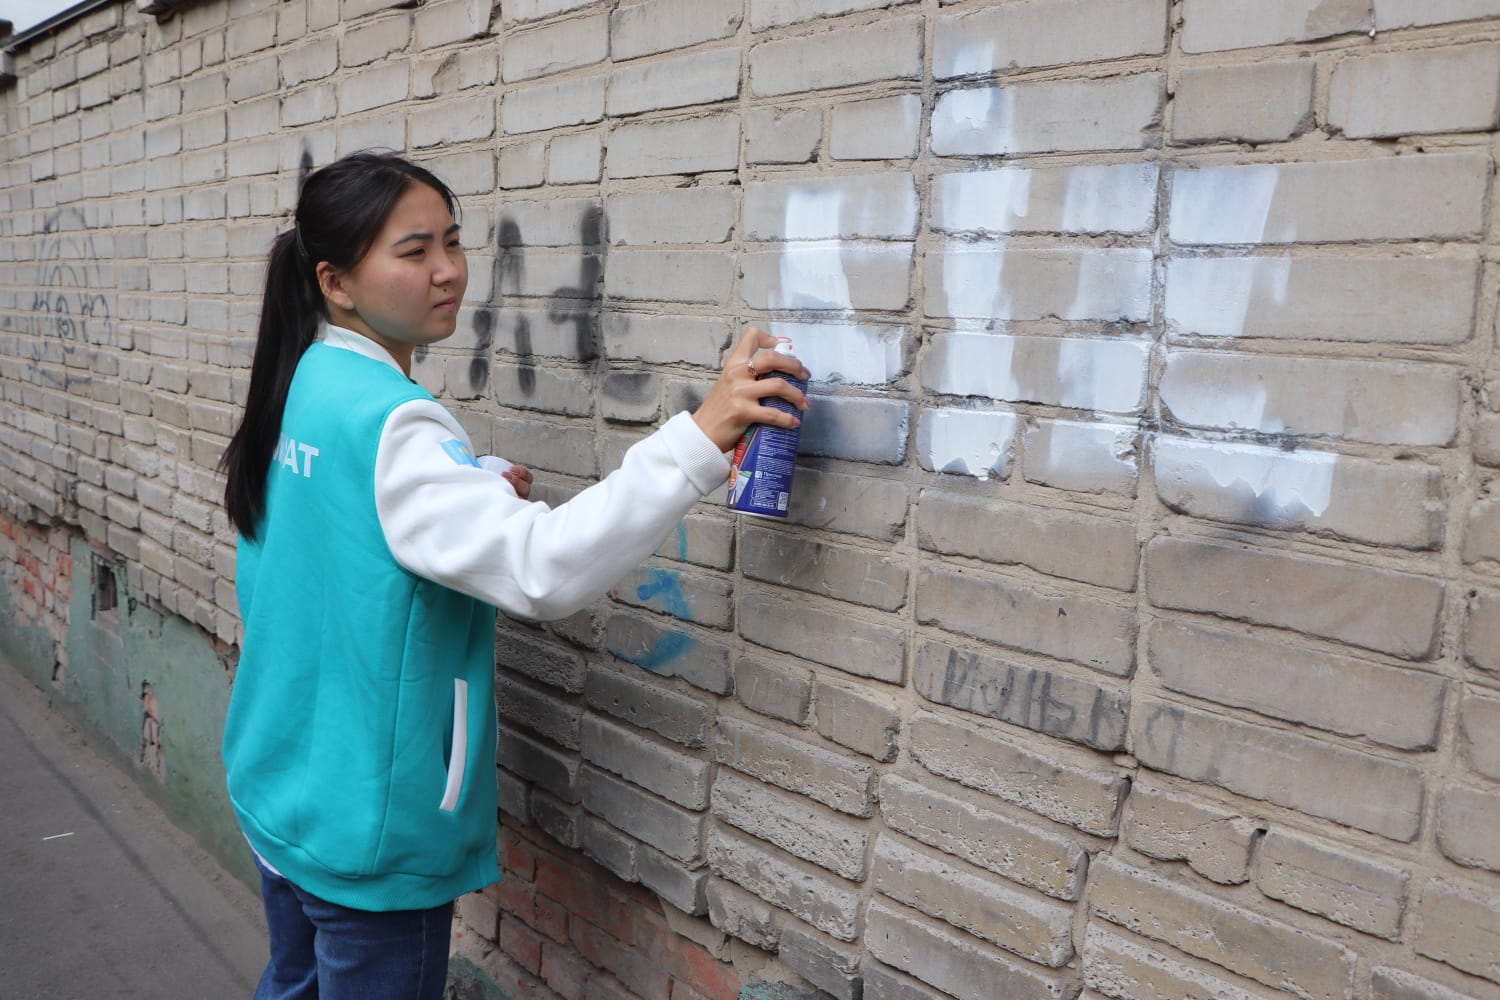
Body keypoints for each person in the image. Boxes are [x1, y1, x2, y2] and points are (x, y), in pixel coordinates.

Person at [218, 151, 808, 1000]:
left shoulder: (308, 381)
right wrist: (700, 436)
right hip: (368, 831)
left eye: (453, 243)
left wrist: (472, 485)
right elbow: (541, 570)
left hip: (282, 791)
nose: (449, 271)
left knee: (292, 985)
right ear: (336, 282)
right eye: (413, 252)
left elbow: (347, 528)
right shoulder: (396, 425)